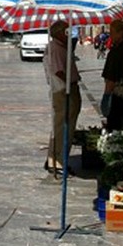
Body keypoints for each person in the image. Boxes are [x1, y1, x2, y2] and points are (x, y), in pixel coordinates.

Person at [43, 20, 82, 177]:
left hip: (67, 88)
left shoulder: (61, 47)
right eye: (66, 31)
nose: (68, 34)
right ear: (58, 33)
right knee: (62, 127)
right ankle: (57, 161)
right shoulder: (56, 48)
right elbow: (59, 70)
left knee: (66, 125)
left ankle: (55, 158)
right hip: (63, 90)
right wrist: (68, 83)